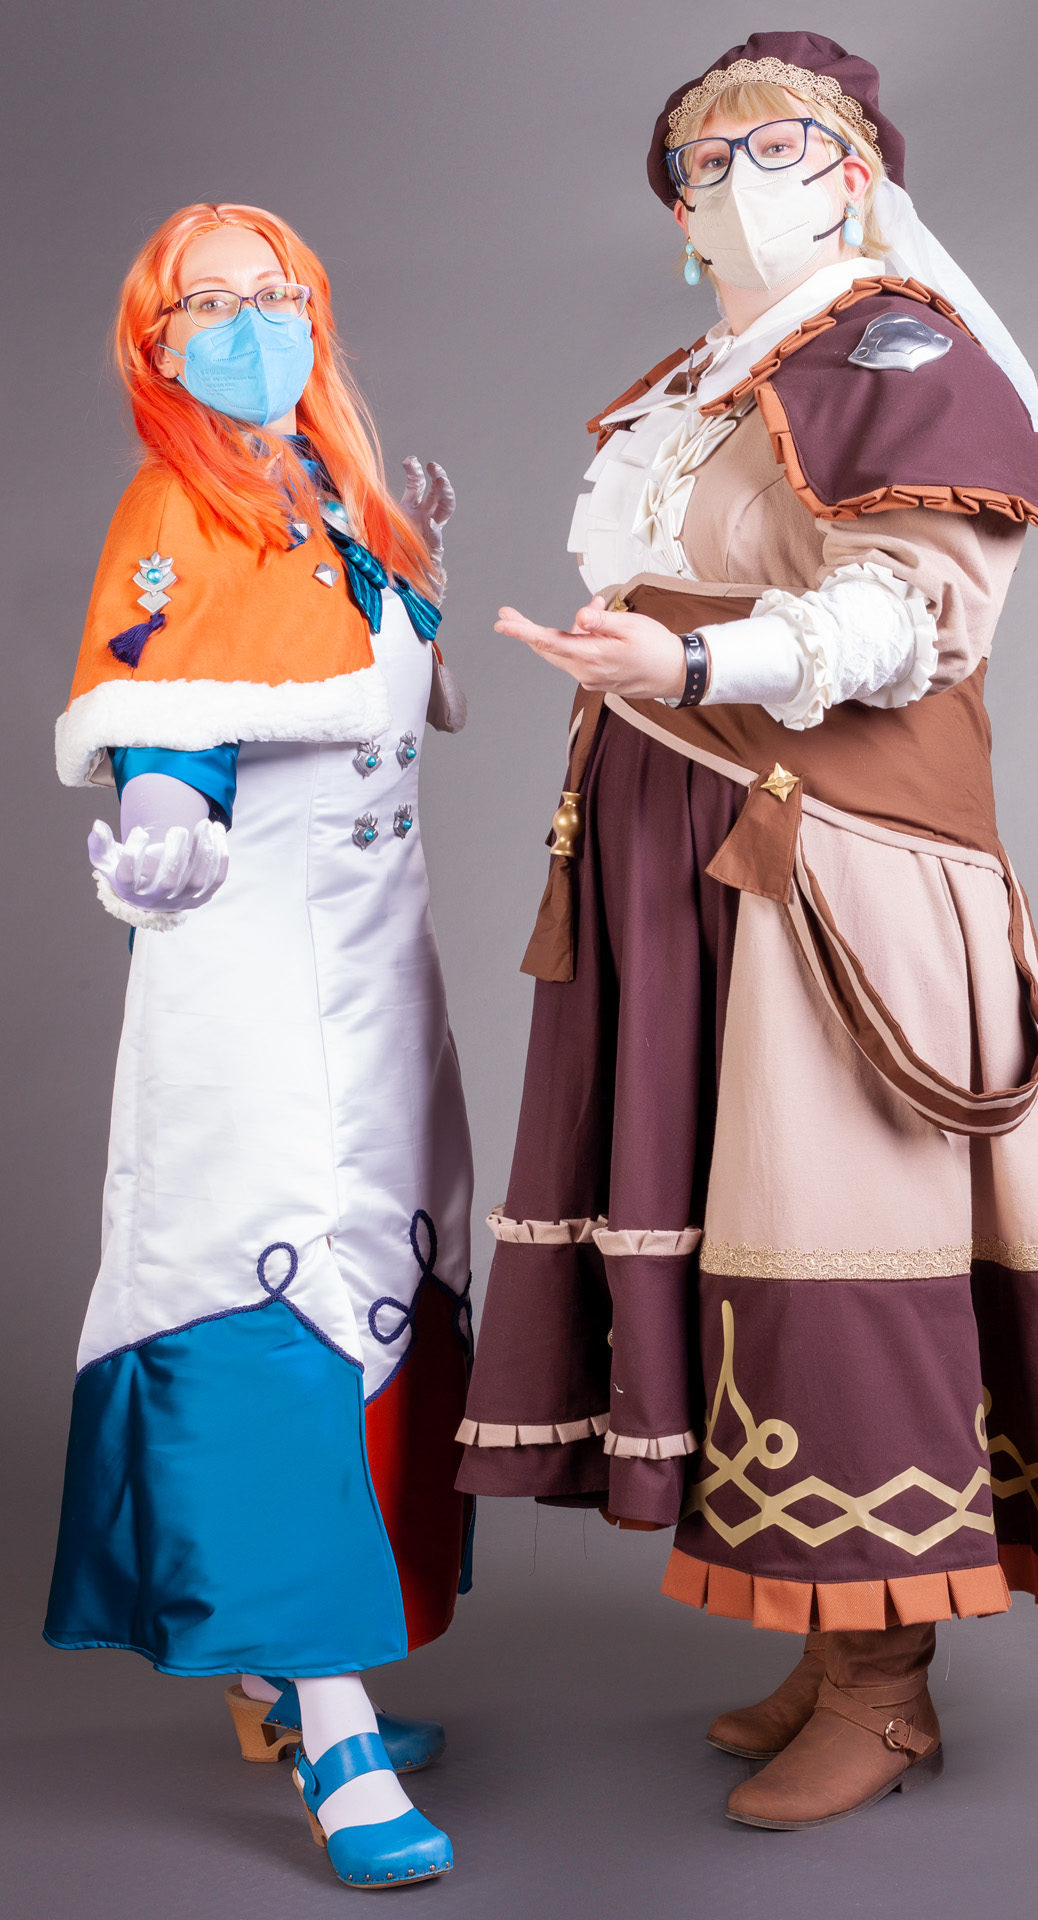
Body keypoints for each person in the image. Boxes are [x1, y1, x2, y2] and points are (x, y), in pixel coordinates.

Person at [456, 32, 1038, 1831]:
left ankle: (887, 1691)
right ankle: (826, 1635)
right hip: (683, 847)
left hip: (830, 856)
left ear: (859, 174)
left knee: (830, 1232)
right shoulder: (717, 378)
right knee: (737, 1225)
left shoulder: (900, 350)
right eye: (701, 164)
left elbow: (913, 617)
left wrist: (694, 659)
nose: (732, 185)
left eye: (775, 149)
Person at [46, 202, 473, 1889]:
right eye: (208, 302)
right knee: (266, 1297)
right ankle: (331, 1719)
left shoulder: (327, 480)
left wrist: (418, 555)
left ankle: (297, 1676)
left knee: (382, 1285)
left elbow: (370, 661)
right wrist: (164, 828)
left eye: (274, 291)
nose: (250, 322)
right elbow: (167, 713)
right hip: (247, 970)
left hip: (378, 969)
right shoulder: (173, 500)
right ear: (156, 342)